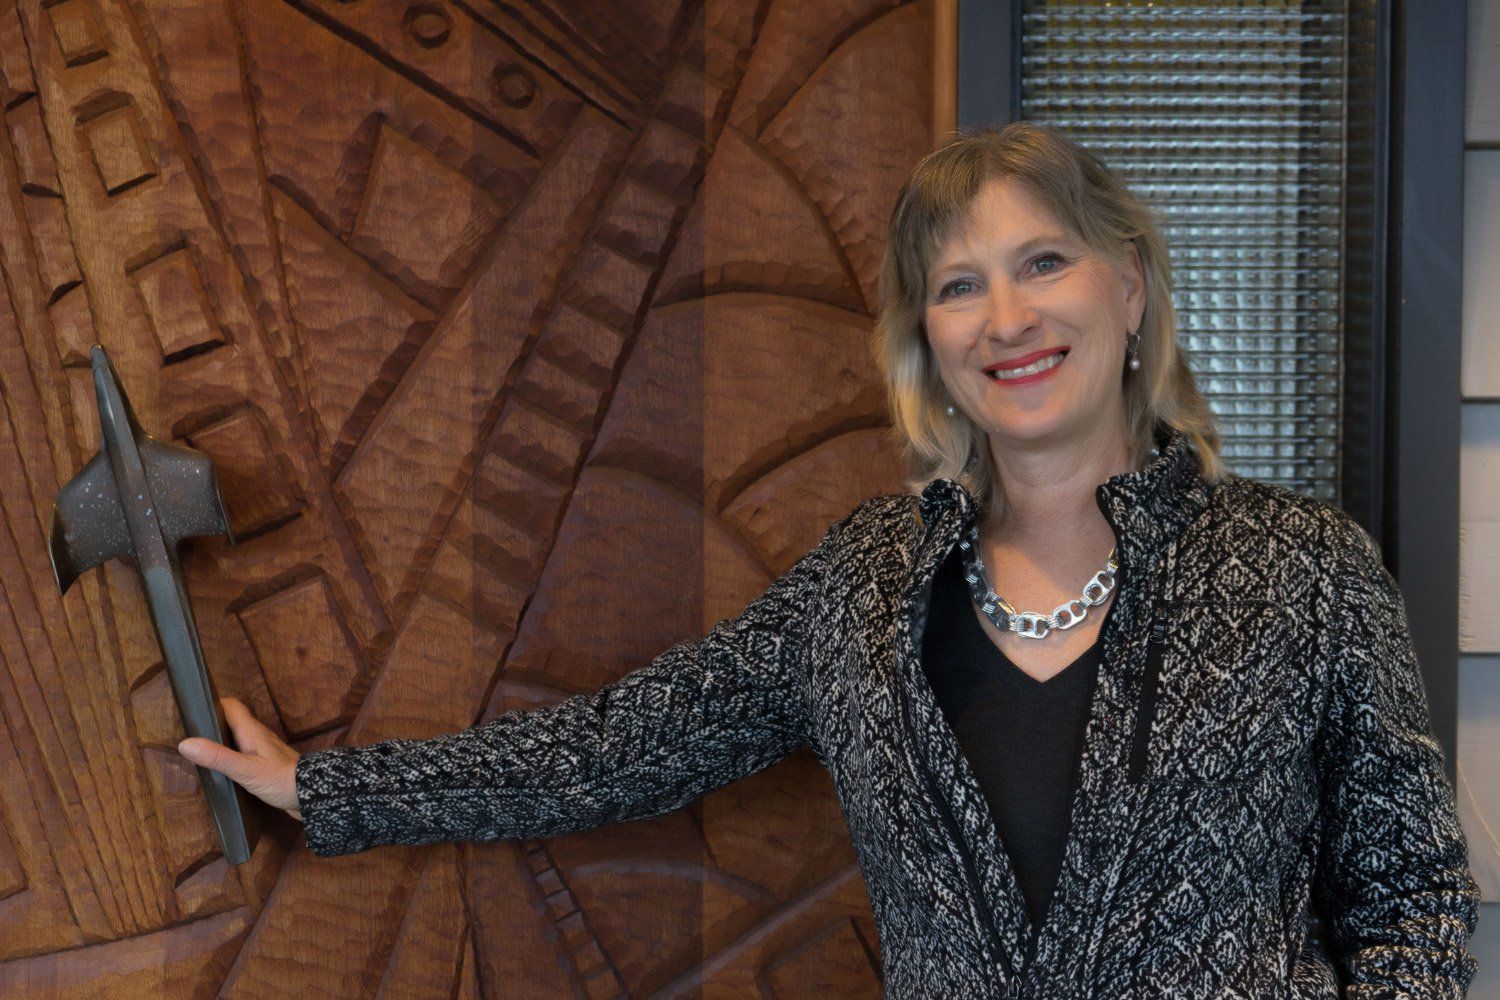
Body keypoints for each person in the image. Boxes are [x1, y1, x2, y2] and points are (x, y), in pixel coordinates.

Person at [179, 122, 1479, 997]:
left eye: (1043, 263)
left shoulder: (1302, 568)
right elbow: (615, 749)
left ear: (1127, 287)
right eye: (958, 285)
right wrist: (329, 790)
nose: (1007, 318)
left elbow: (1414, 899)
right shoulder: (867, 586)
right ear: (931, 341)